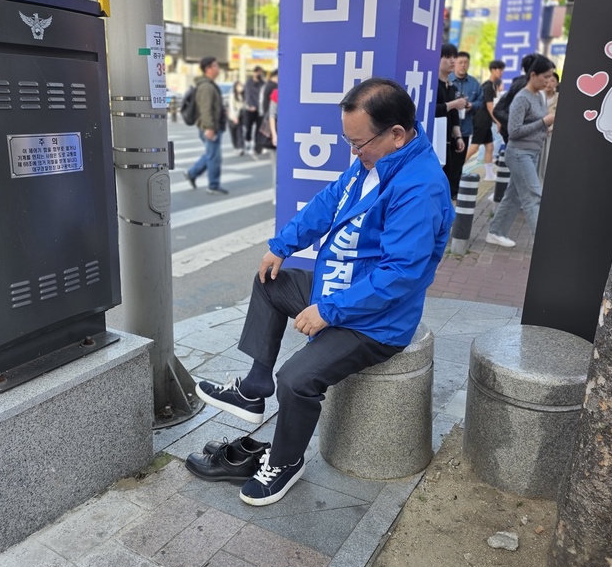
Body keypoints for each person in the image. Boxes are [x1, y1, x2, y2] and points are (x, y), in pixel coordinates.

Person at [189, 78, 455, 506]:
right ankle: (254, 388)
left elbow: (400, 274)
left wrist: (329, 310)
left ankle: (286, 461)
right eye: (349, 142)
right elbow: (329, 201)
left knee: (295, 379)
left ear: (397, 134)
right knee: (270, 280)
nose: (354, 152)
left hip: (377, 320)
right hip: (340, 288)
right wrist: (282, 245)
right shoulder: (376, 161)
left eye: (358, 143)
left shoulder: (419, 187)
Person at [486, 54, 556, 248]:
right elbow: (514, 131)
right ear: (533, 75)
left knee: (513, 196)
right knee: (533, 196)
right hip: (519, 154)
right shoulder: (521, 98)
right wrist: (544, 122)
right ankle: (543, 244)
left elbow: (533, 125)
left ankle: (495, 232)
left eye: (551, 76)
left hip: (531, 153)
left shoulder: (539, 96)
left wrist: (545, 127)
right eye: (545, 76)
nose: (549, 80)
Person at [184, 56, 228, 194]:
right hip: (209, 127)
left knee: (211, 154)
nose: (218, 68)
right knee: (214, 157)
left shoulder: (209, 85)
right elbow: (206, 109)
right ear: (208, 68)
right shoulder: (206, 87)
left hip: (212, 126)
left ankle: (192, 173)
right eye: (215, 65)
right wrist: (209, 128)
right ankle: (213, 185)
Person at [435, 43, 467, 199]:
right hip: (433, 140)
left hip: (447, 141)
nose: (452, 61)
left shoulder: (452, 87)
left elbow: (454, 116)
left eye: (455, 57)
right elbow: (432, 110)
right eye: (447, 57)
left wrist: (458, 136)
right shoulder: (433, 83)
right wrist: (454, 104)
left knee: (446, 177)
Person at [466, 60, 505, 180]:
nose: (501, 73)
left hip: (485, 121)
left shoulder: (489, 85)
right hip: (481, 121)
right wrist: (498, 121)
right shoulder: (488, 86)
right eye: (499, 70)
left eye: (502, 70)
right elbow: (489, 107)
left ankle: (489, 174)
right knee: (474, 147)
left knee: (490, 147)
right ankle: (457, 170)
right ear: (493, 70)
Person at [449, 51, 483, 167]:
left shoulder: (474, 84)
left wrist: (472, 105)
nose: (463, 65)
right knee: (446, 166)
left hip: (465, 130)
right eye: (460, 62)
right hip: (448, 131)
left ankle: (456, 185)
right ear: (455, 64)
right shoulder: (447, 80)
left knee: (458, 167)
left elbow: (481, 102)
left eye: (466, 63)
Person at [243, 66, 265, 152]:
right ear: (254, 72)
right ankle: (247, 142)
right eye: (257, 72)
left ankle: (257, 147)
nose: (258, 74)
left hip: (259, 109)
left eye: (260, 72)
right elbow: (248, 95)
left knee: (259, 129)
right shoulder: (249, 83)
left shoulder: (263, 83)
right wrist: (250, 105)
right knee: (248, 127)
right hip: (250, 109)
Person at [228, 80, 246, 155]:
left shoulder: (243, 95)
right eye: (238, 86)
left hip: (241, 115)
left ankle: (240, 147)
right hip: (232, 116)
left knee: (240, 132)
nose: (240, 87)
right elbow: (231, 107)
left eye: (241, 86)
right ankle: (236, 147)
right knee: (233, 133)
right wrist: (234, 117)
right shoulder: (232, 95)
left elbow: (244, 105)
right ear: (235, 87)